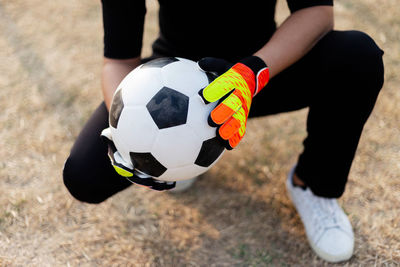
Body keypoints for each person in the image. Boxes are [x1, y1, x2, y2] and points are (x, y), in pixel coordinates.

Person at [63, 0, 384, 263]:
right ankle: (181, 153)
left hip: (263, 71)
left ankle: (312, 185)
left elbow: (316, 12)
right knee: (84, 177)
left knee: (357, 56)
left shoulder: (259, 72)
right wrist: (129, 133)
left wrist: (252, 73)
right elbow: (117, 61)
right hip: (172, 95)